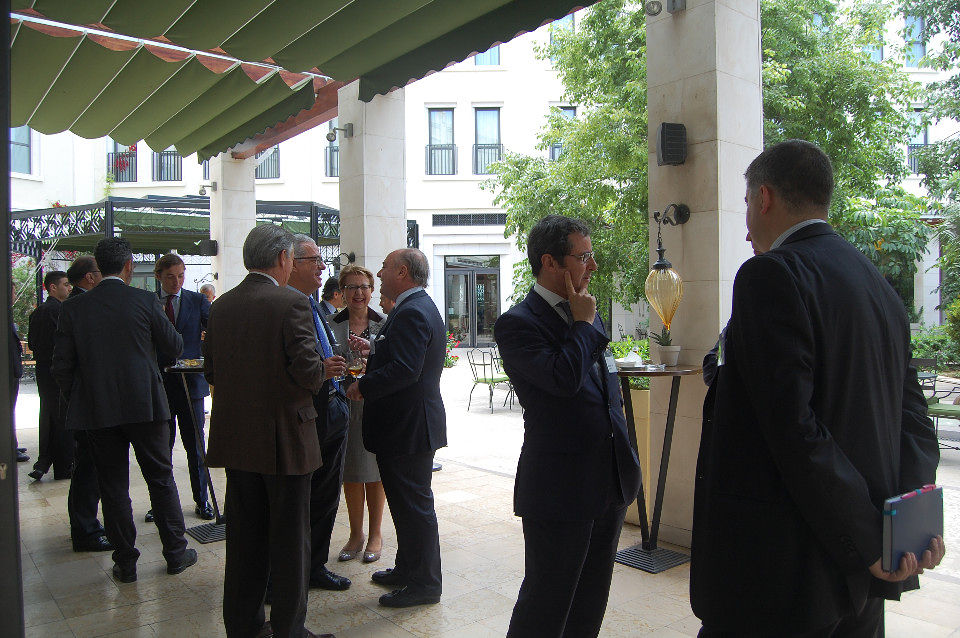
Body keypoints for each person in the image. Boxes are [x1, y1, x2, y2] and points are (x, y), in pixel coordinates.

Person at [691, 140, 945, 636]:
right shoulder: (879, 286)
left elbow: (795, 429)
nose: (745, 221)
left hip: (783, 575)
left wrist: (872, 542)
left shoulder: (769, 274)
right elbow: (913, 416)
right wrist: (905, 532)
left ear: (764, 198)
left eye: (746, 204)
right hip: (860, 580)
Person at [493, 215, 641, 638]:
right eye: (584, 256)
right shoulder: (518, 323)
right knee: (546, 602)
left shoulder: (587, 312)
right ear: (550, 262)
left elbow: (605, 389)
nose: (592, 265)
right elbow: (561, 380)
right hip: (560, 489)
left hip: (609, 481)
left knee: (591, 600)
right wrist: (580, 324)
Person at [203, 224, 341, 638]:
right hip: (285, 441)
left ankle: (244, 628)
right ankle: (289, 631)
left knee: (244, 542)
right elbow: (305, 371)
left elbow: (211, 370)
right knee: (290, 542)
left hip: (236, 440)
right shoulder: (290, 303)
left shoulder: (222, 305)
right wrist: (323, 370)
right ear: (283, 259)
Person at [52, 237, 197, 584]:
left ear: (98, 268)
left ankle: (126, 562)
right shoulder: (144, 300)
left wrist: (84, 395)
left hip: (98, 411)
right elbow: (174, 345)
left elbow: (61, 366)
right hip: (146, 405)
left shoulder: (74, 308)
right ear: (130, 266)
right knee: (161, 479)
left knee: (113, 485)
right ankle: (176, 554)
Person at [345, 248, 446, 608]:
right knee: (406, 507)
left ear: (402, 272)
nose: (381, 272)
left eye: (385, 267)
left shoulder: (413, 310)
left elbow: (406, 370)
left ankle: (425, 585)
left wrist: (363, 386)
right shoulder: (413, 305)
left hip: (408, 427)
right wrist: (374, 348)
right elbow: (403, 354)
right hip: (406, 426)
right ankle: (407, 569)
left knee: (415, 508)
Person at [284, 234, 352, 592]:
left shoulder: (314, 305)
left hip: (333, 408)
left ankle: (315, 566)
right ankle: (296, 571)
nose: (323, 267)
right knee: (303, 499)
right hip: (308, 414)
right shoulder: (286, 306)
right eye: (314, 260)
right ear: (291, 263)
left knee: (326, 496)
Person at [146, 254, 214, 523]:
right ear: (158, 276)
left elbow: (216, 329)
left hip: (191, 385)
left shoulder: (197, 301)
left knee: (196, 446)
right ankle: (161, 503)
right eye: (171, 276)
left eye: (181, 275)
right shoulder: (148, 302)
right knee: (161, 448)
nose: (177, 281)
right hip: (159, 384)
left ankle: (202, 500)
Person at [330, 265, 387, 564]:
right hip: (343, 403)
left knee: (375, 471)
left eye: (364, 286)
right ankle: (356, 534)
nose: (359, 293)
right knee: (351, 471)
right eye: (351, 287)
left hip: (376, 403)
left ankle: (376, 533)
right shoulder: (330, 324)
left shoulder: (386, 323)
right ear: (341, 293)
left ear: (372, 290)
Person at [63, 255, 111, 553]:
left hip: (87, 401)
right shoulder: (77, 307)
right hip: (89, 402)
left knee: (88, 466)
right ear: (89, 277)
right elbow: (64, 364)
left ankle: (86, 524)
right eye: (98, 272)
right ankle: (85, 529)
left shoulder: (78, 305)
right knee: (87, 467)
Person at [27, 270, 73, 481]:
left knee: (49, 416)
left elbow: (33, 343)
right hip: (56, 371)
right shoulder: (57, 311)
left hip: (44, 371)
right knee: (60, 418)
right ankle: (62, 467)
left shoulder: (38, 312)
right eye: (65, 284)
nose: (69, 288)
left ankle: (44, 462)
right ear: (53, 287)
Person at [9, 279, 29, 464]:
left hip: (12, 372)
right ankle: (9, 448)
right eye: (13, 291)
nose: (15, 295)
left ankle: (11, 444)